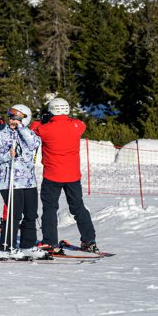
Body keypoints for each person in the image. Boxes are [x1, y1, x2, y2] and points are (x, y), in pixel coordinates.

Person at [31, 96, 98, 254]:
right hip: (73, 176)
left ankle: (50, 241)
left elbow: (33, 128)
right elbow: (82, 124)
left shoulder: (45, 129)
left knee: (49, 209)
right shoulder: (76, 126)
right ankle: (89, 240)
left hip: (52, 175)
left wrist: (43, 120)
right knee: (78, 207)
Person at [0, 104, 42, 260]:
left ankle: (28, 245)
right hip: (10, 182)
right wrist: (8, 154)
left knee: (31, 214)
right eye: (11, 117)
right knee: (15, 214)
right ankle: (6, 246)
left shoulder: (28, 134)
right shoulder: (2, 135)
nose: (12, 121)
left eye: (16, 118)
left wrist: (21, 129)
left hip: (29, 181)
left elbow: (35, 144)